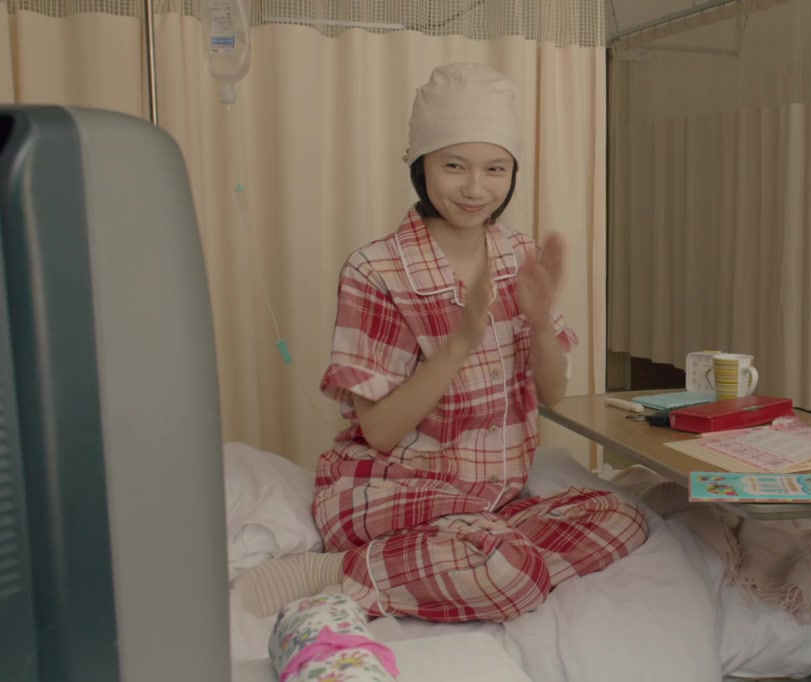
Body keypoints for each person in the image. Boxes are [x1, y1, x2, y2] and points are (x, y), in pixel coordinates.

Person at [236, 62, 648, 622]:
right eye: (454, 166)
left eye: (495, 169)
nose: (476, 189)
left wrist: (539, 322)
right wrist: (458, 345)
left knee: (625, 517)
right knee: (507, 575)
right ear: (421, 165)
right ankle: (336, 573)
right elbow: (380, 432)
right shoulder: (376, 270)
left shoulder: (519, 255)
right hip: (396, 491)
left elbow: (551, 393)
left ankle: (475, 551)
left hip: (492, 499)